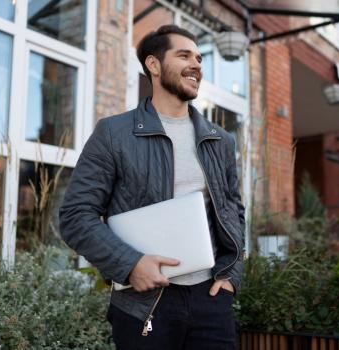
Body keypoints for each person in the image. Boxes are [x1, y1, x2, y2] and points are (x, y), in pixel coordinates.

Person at [59, 24, 245, 350]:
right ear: (153, 65)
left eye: (199, 58)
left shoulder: (221, 140)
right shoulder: (114, 133)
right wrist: (129, 264)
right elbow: (76, 216)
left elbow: (234, 211)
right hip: (143, 303)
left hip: (211, 300)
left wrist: (231, 276)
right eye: (184, 55)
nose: (197, 64)